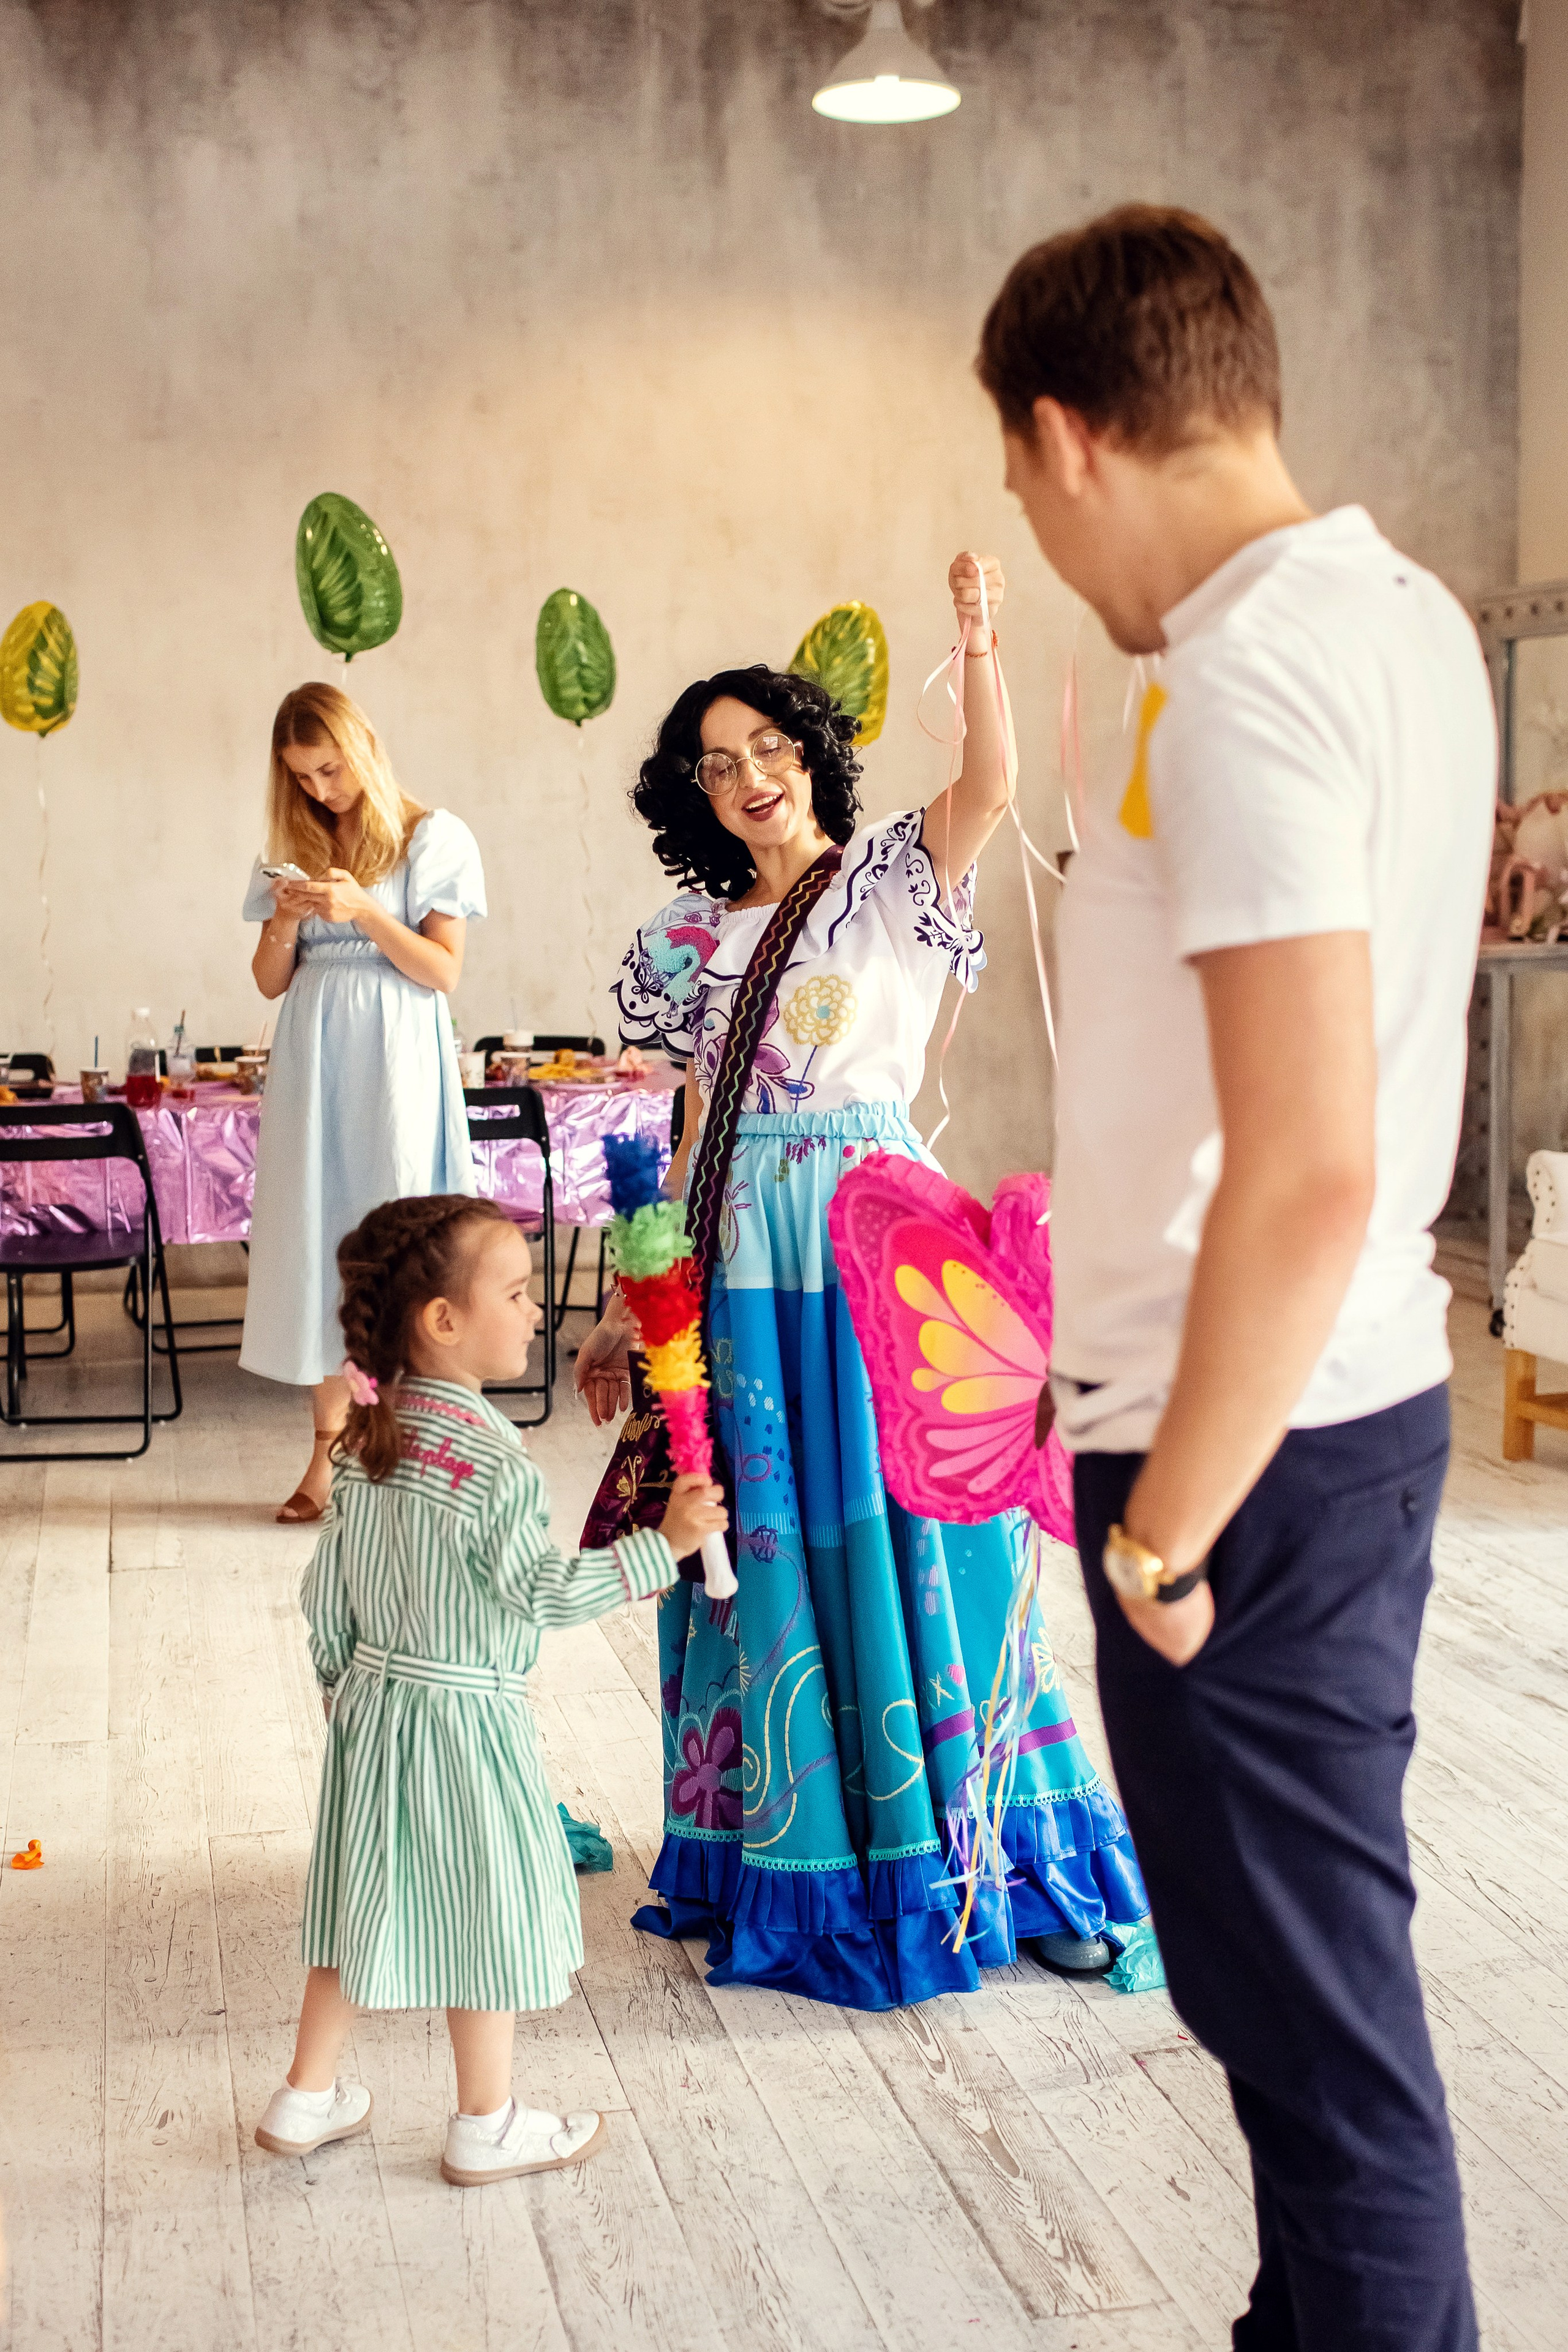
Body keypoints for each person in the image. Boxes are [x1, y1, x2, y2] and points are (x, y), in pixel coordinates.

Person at [978, 205, 1492, 2348]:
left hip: (1250, 1457)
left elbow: (1307, 1169)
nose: (1039, 529)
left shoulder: (1248, 674)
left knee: (1327, 2062)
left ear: (1071, 435)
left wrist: (1170, 1521)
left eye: (1022, 482)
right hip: (1329, 1418)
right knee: (1300, 2037)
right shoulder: (1401, 621)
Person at [571, 551, 1153, 2011]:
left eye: (766, 745)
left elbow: (993, 788)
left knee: (930, 1546)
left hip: (875, 1243)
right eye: (715, 763)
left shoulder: (889, 873)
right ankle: (797, 1852)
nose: (747, 774)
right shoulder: (686, 943)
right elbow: (685, 1123)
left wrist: (979, 644)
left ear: (808, 756)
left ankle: (994, 1861)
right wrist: (621, 1302)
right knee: (766, 1547)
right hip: (738, 1264)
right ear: (693, 798)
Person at [252, 1192, 727, 2184]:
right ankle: (487, 2120)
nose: (534, 1312)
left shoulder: (367, 1438)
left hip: (375, 1711)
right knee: (488, 1908)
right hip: (466, 1720)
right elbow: (542, 1593)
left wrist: (346, 1690)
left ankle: (304, 2097)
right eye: (515, 1293)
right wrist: (663, 1548)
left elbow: (322, 1593)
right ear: (443, 1322)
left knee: (353, 1900)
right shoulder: (490, 1461)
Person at [241, 682, 486, 1523]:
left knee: (396, 1250)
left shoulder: (432, 836)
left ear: (365, 747)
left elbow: (443, 970)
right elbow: (273, 980)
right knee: (320, 1241)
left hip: (397, 1067)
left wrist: (360, 912)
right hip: (315, 1066)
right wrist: (282, 918)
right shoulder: (294, 841)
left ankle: (403, 1453)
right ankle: (324, 1455)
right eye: (302, 777)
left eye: (330, 769)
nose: (319, 790)